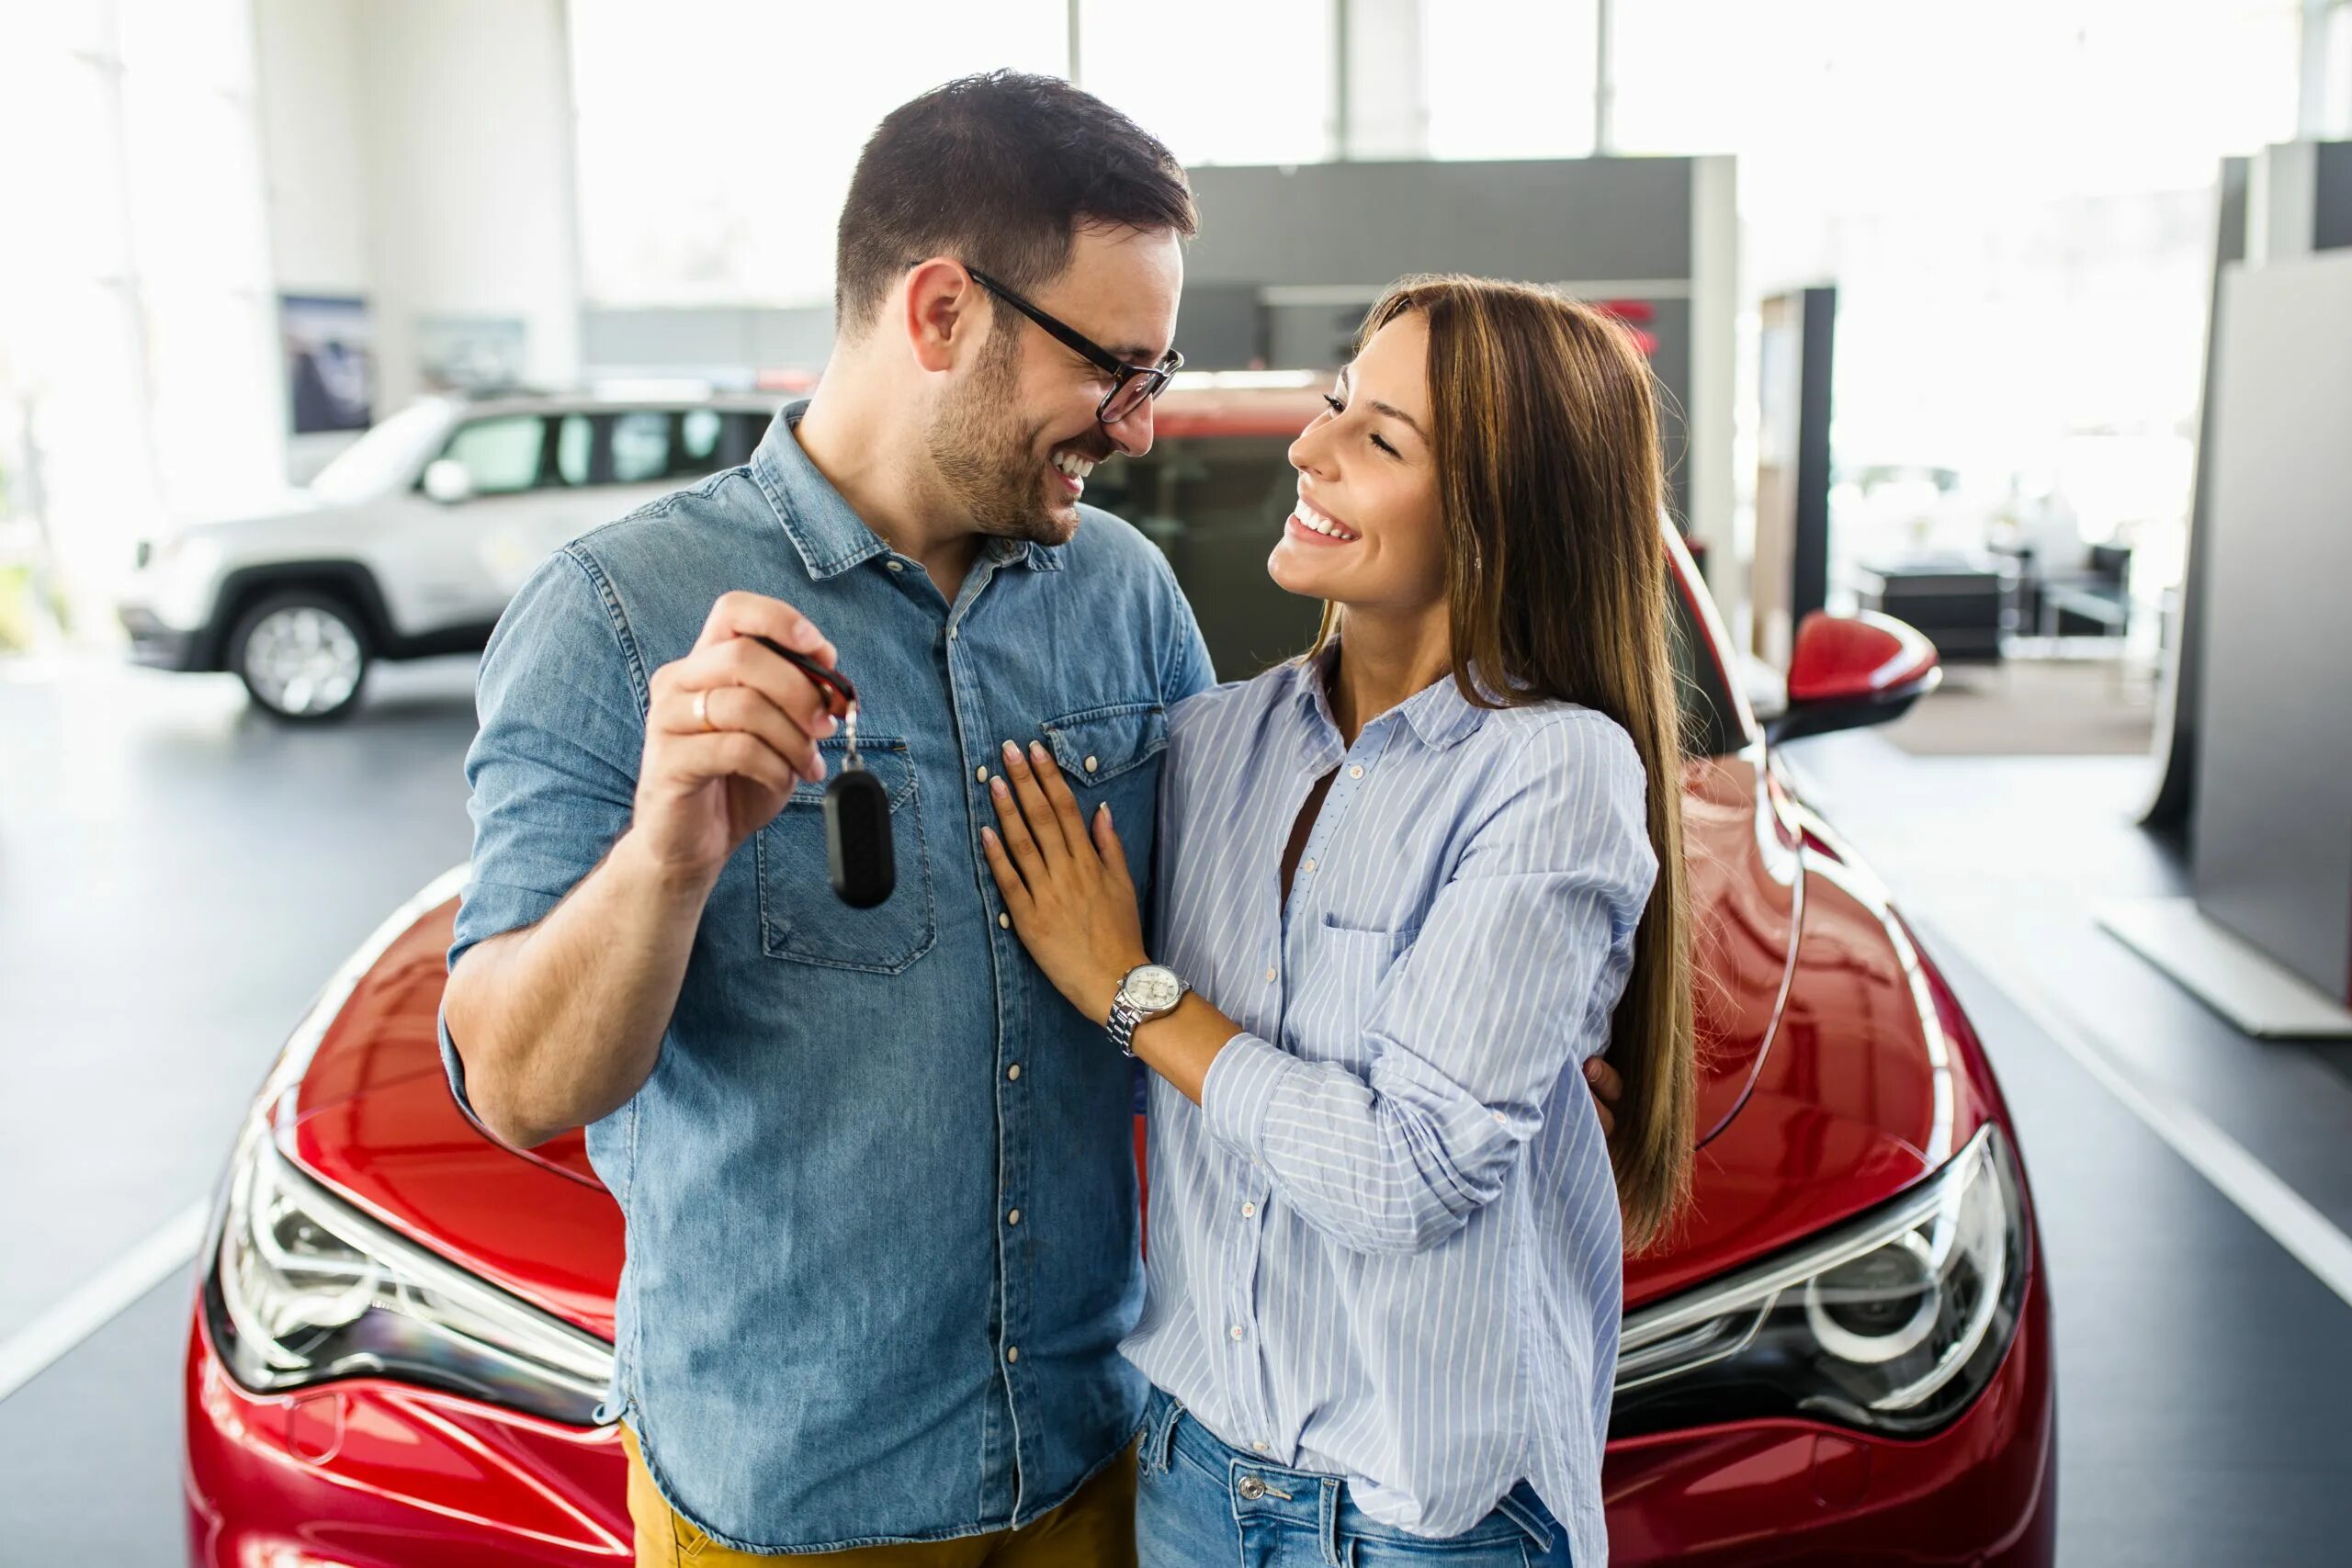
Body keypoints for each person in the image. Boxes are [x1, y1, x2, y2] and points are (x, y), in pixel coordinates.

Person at [979, 276, 1696, 1568]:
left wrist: (1132, 992)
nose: (1310, 450)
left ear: (1500, 518)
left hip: (1427, 1523)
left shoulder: (1555, 772)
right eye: (1334, 407)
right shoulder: (1211, 743)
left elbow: (1405, 1174)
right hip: (1193, 1482)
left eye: (1380, 440)